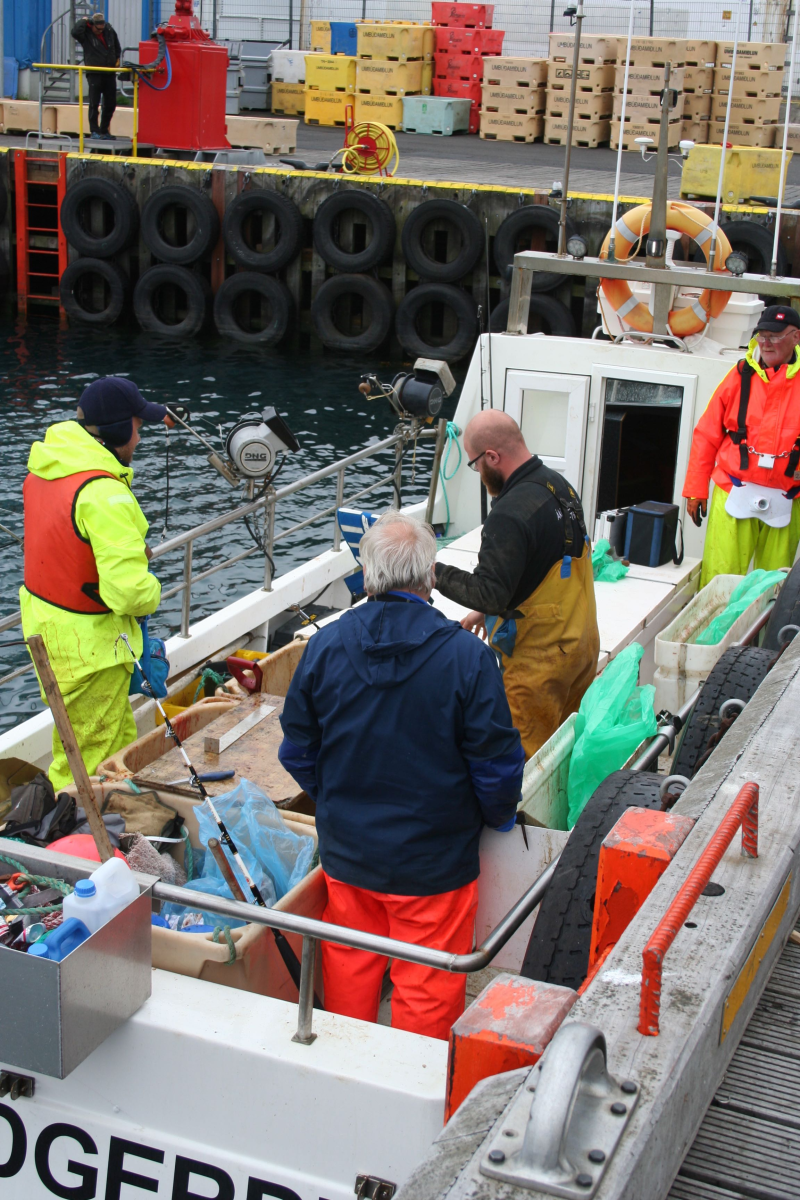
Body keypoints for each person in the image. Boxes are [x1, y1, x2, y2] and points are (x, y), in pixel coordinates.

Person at [278, 511, 524, 1041]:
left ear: (368, 575)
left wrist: (336, 800)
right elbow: (497, 768)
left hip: (349, 856)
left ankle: (344, 1060)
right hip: (434, 864)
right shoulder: (469, 658)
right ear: (430, 575)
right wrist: (494, 817)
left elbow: (297, 750)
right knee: (427, 981)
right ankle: (415, 1074)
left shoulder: (324, 646)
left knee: (350, 963)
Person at [21, 378, 172, 791]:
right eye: (137, 426)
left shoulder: (46, 468)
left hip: (49, 629)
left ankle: (112, 808)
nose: (139, 437)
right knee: (87, 764)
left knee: (111, 740)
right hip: (92, 649)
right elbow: (129, 592)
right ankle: (74, 824)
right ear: (117, 430)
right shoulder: (104, 493)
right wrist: (153, 590)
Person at [434, 410, 600, 760]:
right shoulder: (559, 486)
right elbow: (542, 564)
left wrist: (432, 572)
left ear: (492, 457)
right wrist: (485, 612)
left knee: (524, 763)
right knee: (565, 749)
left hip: (542, 663)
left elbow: (489, 594)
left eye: (475, 465)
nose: (479, 474)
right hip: (581, 645)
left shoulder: (509, 513)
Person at [683, 305, 800, 588]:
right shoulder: (738, 376)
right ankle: (713, 621)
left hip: (789, 497)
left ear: (796, 337)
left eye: (775, 336)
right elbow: (706, 434)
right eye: (762, 335)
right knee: (719, 582)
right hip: (732, 490)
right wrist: (696, 490)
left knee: (773, 589)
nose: (766, 342)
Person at [71, 12, 121, 141]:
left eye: (102, 29)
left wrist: (116, 58)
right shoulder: (86, 34)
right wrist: (83, 21)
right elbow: (75, 32)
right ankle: (94, 130)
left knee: (110, 103)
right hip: (94, 73)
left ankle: (104, 130)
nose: (100, 31)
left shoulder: (108, 30)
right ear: (92, 25)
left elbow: (116, 45)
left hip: (109, 72)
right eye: (98, 29)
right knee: (94, 102)